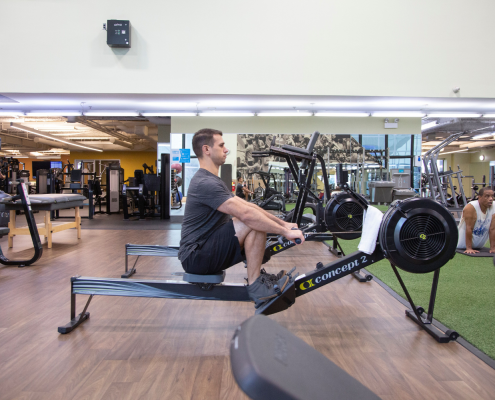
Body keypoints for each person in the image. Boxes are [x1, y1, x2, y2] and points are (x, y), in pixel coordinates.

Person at [178, 128, 305, 308]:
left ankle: (257, 279)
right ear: (206, 150)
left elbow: (249, 206)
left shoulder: (213, 180)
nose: (226, 150)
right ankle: (256, 287)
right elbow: (246, 215)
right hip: (195, 257)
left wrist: (284, 223)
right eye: (221, 145)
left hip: (203, 249)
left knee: (252, 218)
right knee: (250, 221)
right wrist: (284, 232)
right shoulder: (205, 183)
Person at [457, 186, 495, 254]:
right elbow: (469, 228)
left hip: (479, 247)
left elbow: (492, 229)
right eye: (487, 196)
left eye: (492, 196)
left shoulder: (493, 206)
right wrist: (469, 248)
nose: (491, 199)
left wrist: (493, 248)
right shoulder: (471, 207)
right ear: (479, 197)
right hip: (461, 245)